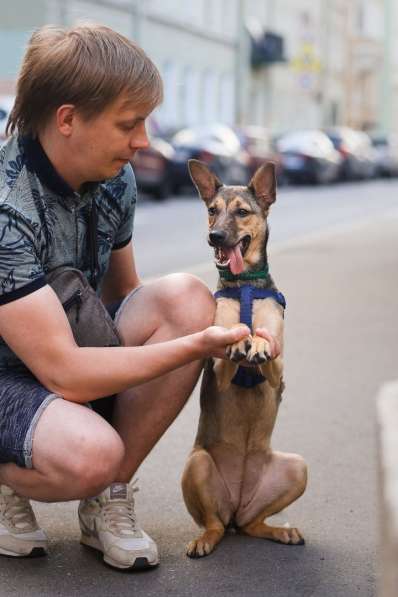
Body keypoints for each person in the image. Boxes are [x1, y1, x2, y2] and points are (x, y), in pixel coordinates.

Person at [0, 24, 252, 570]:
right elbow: (64, 371)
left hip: (60, 349)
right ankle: (12, 478)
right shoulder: (6, 208)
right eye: (128, 123)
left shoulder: (116, 179)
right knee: (91, 452)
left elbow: (121, 299)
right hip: (7, 375)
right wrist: (196, 348)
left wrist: (197, 330)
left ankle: (106, 497)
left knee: (186, 297)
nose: (143, 140)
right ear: (67, 120)